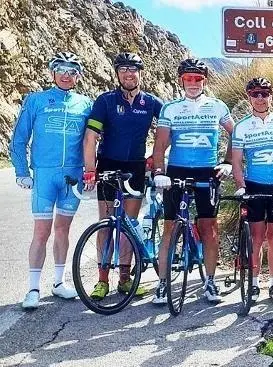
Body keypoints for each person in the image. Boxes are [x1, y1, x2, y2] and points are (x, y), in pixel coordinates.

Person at [10, 52, 93, 309]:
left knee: (63, 229)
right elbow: (19, 139)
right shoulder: (36, 100)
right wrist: (22, 171)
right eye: (61, 70)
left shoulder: (85, 104)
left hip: (73, 175)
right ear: (52, 72)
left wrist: (92, 170)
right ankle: (33, 288)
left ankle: (58, 283)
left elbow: (92, 141)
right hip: (44, 174)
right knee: (42, 231)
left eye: (72, 71)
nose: (67, 75)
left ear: (78, 76)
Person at [151, 58, 235, 304]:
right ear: (181, 80)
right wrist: (159, 173)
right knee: (169, 230)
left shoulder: (217, 106)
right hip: (176, 171)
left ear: (204, 81)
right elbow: (160, 145)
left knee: (209, 228)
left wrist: (228, 162)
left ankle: (210, 281)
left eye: (198, 78)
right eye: (188, 78)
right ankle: (163, 284)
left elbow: (236, 133)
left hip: (207, 172)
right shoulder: (171, 108)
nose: (193, 83)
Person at [82, 52, 164, 299]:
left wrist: (156, 156)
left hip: (136, 166)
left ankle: (125, 279)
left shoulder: (150, 102)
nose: (129, 74)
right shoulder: (105, 101)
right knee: (106, 224)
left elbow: (170, 130)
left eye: (133, 69)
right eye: (123, 69)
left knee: (129, 224)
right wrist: (90, 170)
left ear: (140, 73)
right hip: (108, 164)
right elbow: (90, 137)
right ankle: (102, 280)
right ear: (117, 74)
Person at [230, 78, 273, 302]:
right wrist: (241, 186)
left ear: (271, 96)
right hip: (254, 186)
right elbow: (237, 161)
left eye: (264, 94)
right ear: (249, 97)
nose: (260, 98)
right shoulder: (241, 127)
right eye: (255, 94)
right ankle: (255, 283)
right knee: (257, 237)